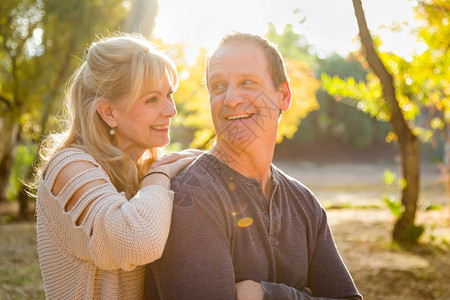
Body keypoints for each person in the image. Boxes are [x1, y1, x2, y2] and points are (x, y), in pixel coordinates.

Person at [146, 32, 362, 300]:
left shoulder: (305, 203)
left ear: (283, 95)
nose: (231, 98)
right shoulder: (192, 198)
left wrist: (265, 294)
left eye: (247, 82)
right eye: (218, 86)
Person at [34, 33, 200, 299]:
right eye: (151, 99)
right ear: (109, 113)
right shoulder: (67, 168)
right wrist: (159, 174)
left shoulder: (146, 169)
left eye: (169, 95)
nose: (171, 110)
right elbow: (136, 243)